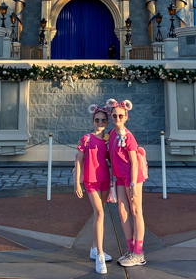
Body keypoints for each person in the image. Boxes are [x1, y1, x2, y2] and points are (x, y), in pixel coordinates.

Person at [106, 98, 146, 267]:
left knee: (136, 211)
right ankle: (131, 250)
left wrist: (134, 187)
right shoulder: (112, 134)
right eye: (114, 116)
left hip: (132, 178)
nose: (117, 119)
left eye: (121, 116)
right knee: (123, 213)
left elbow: (134, 162)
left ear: (126, 116)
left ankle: (139, 253)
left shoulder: (129, 136)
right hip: (119, 178)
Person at [74, 105, 113, 274]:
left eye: (103, 120)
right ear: (93, 121)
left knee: (99, 213)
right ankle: (100, 256)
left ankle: (93, 248)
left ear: (107, 122)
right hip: (91, 181)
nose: (100, 122)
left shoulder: (108, 138)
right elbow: (79, 160)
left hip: (105, 180)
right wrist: (77, 183)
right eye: (97, 120)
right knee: (100, 213)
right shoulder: (86, 138)